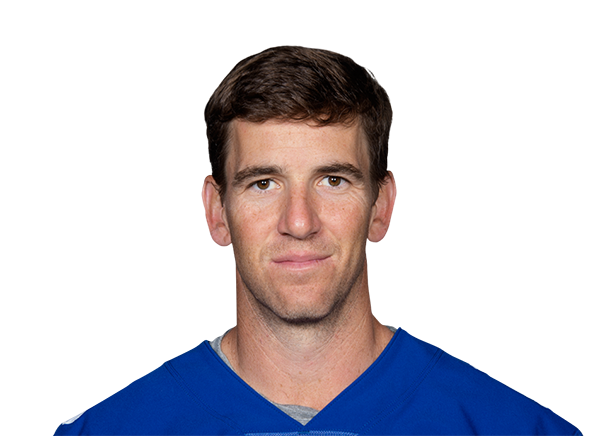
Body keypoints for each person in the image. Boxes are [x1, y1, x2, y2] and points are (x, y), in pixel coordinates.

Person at [55, 46, 580, 435]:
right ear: (218, 212)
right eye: (263, 183)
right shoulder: (110, 430)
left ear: (381, 207)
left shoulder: (514, 429)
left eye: (333, 180)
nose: (300, 221)